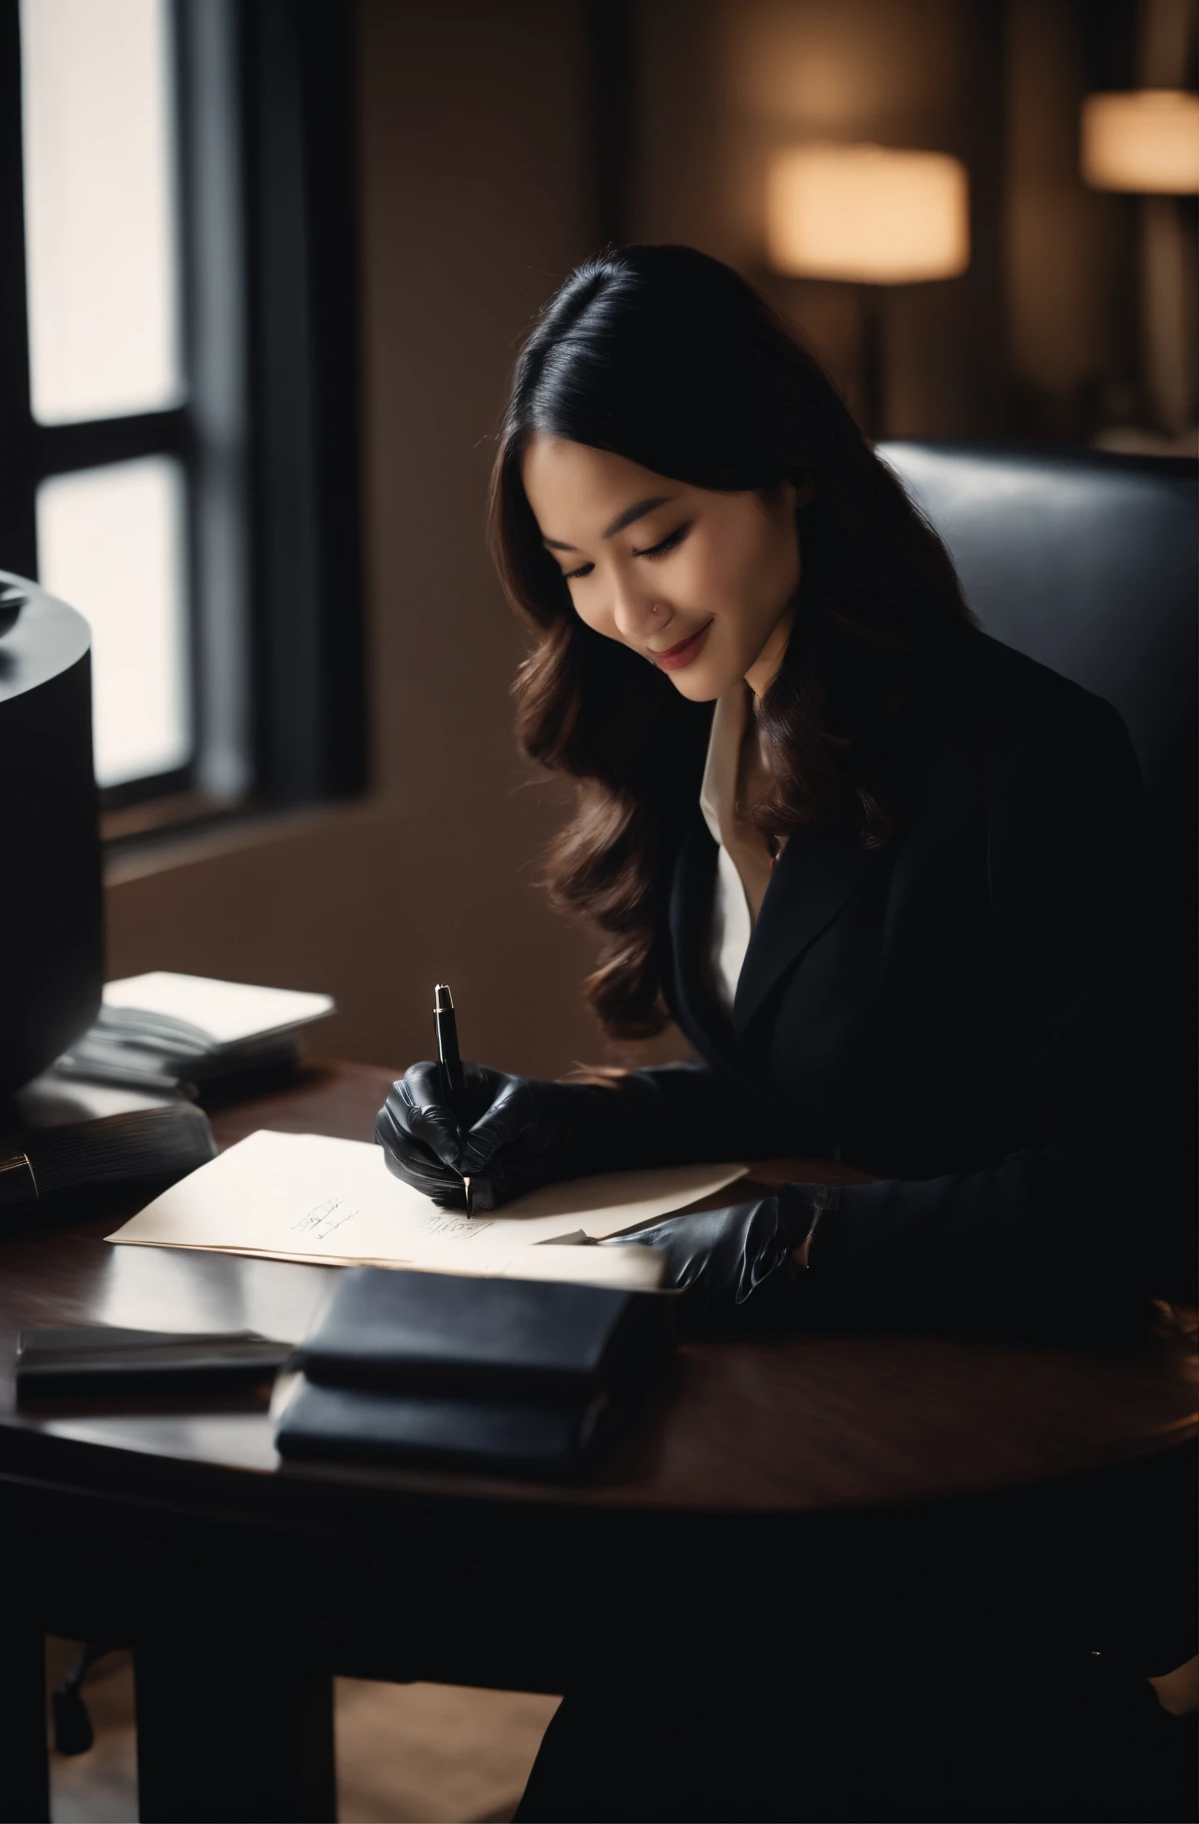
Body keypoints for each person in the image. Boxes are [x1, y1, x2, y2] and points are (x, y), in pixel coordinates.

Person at [376, 246, 1193, 1822]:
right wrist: (576, 1119)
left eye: (657, 535)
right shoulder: (706, 728)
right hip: (797, 1418)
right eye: (576, 566)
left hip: (988, 1447)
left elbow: (1127, 1195)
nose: (623, 610)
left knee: (643, 1749)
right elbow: (834, 1075)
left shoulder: (1032, 763)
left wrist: (798, 1246)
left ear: (791, 477)